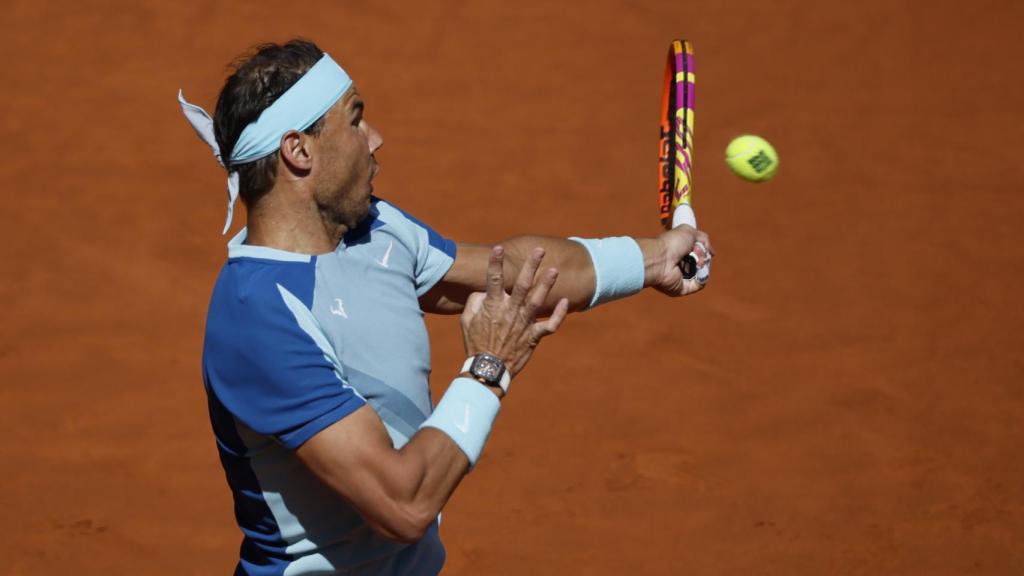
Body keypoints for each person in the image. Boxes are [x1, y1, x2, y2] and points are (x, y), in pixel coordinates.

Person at [179, 38, 712, 576]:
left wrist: (650, 258)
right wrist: (488, 368)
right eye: (356, 121)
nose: (376, 139)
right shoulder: (258, 316)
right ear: (299, 151)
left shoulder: (375, 231)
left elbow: (516, 272)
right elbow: (402, 504)